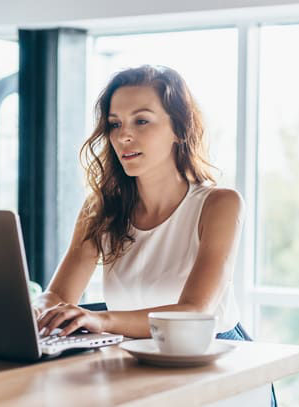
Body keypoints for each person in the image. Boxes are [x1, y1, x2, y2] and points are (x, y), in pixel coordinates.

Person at [32, 65, 276, 405]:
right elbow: (58, 293)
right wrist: (35, 311)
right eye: (115, 124)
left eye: (141, 120)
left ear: (179, 127)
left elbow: (194, 312)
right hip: (136, 363)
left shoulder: (220, 204)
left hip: (219, 368)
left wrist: (101, 320)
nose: (122, 136)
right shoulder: (100, 209)